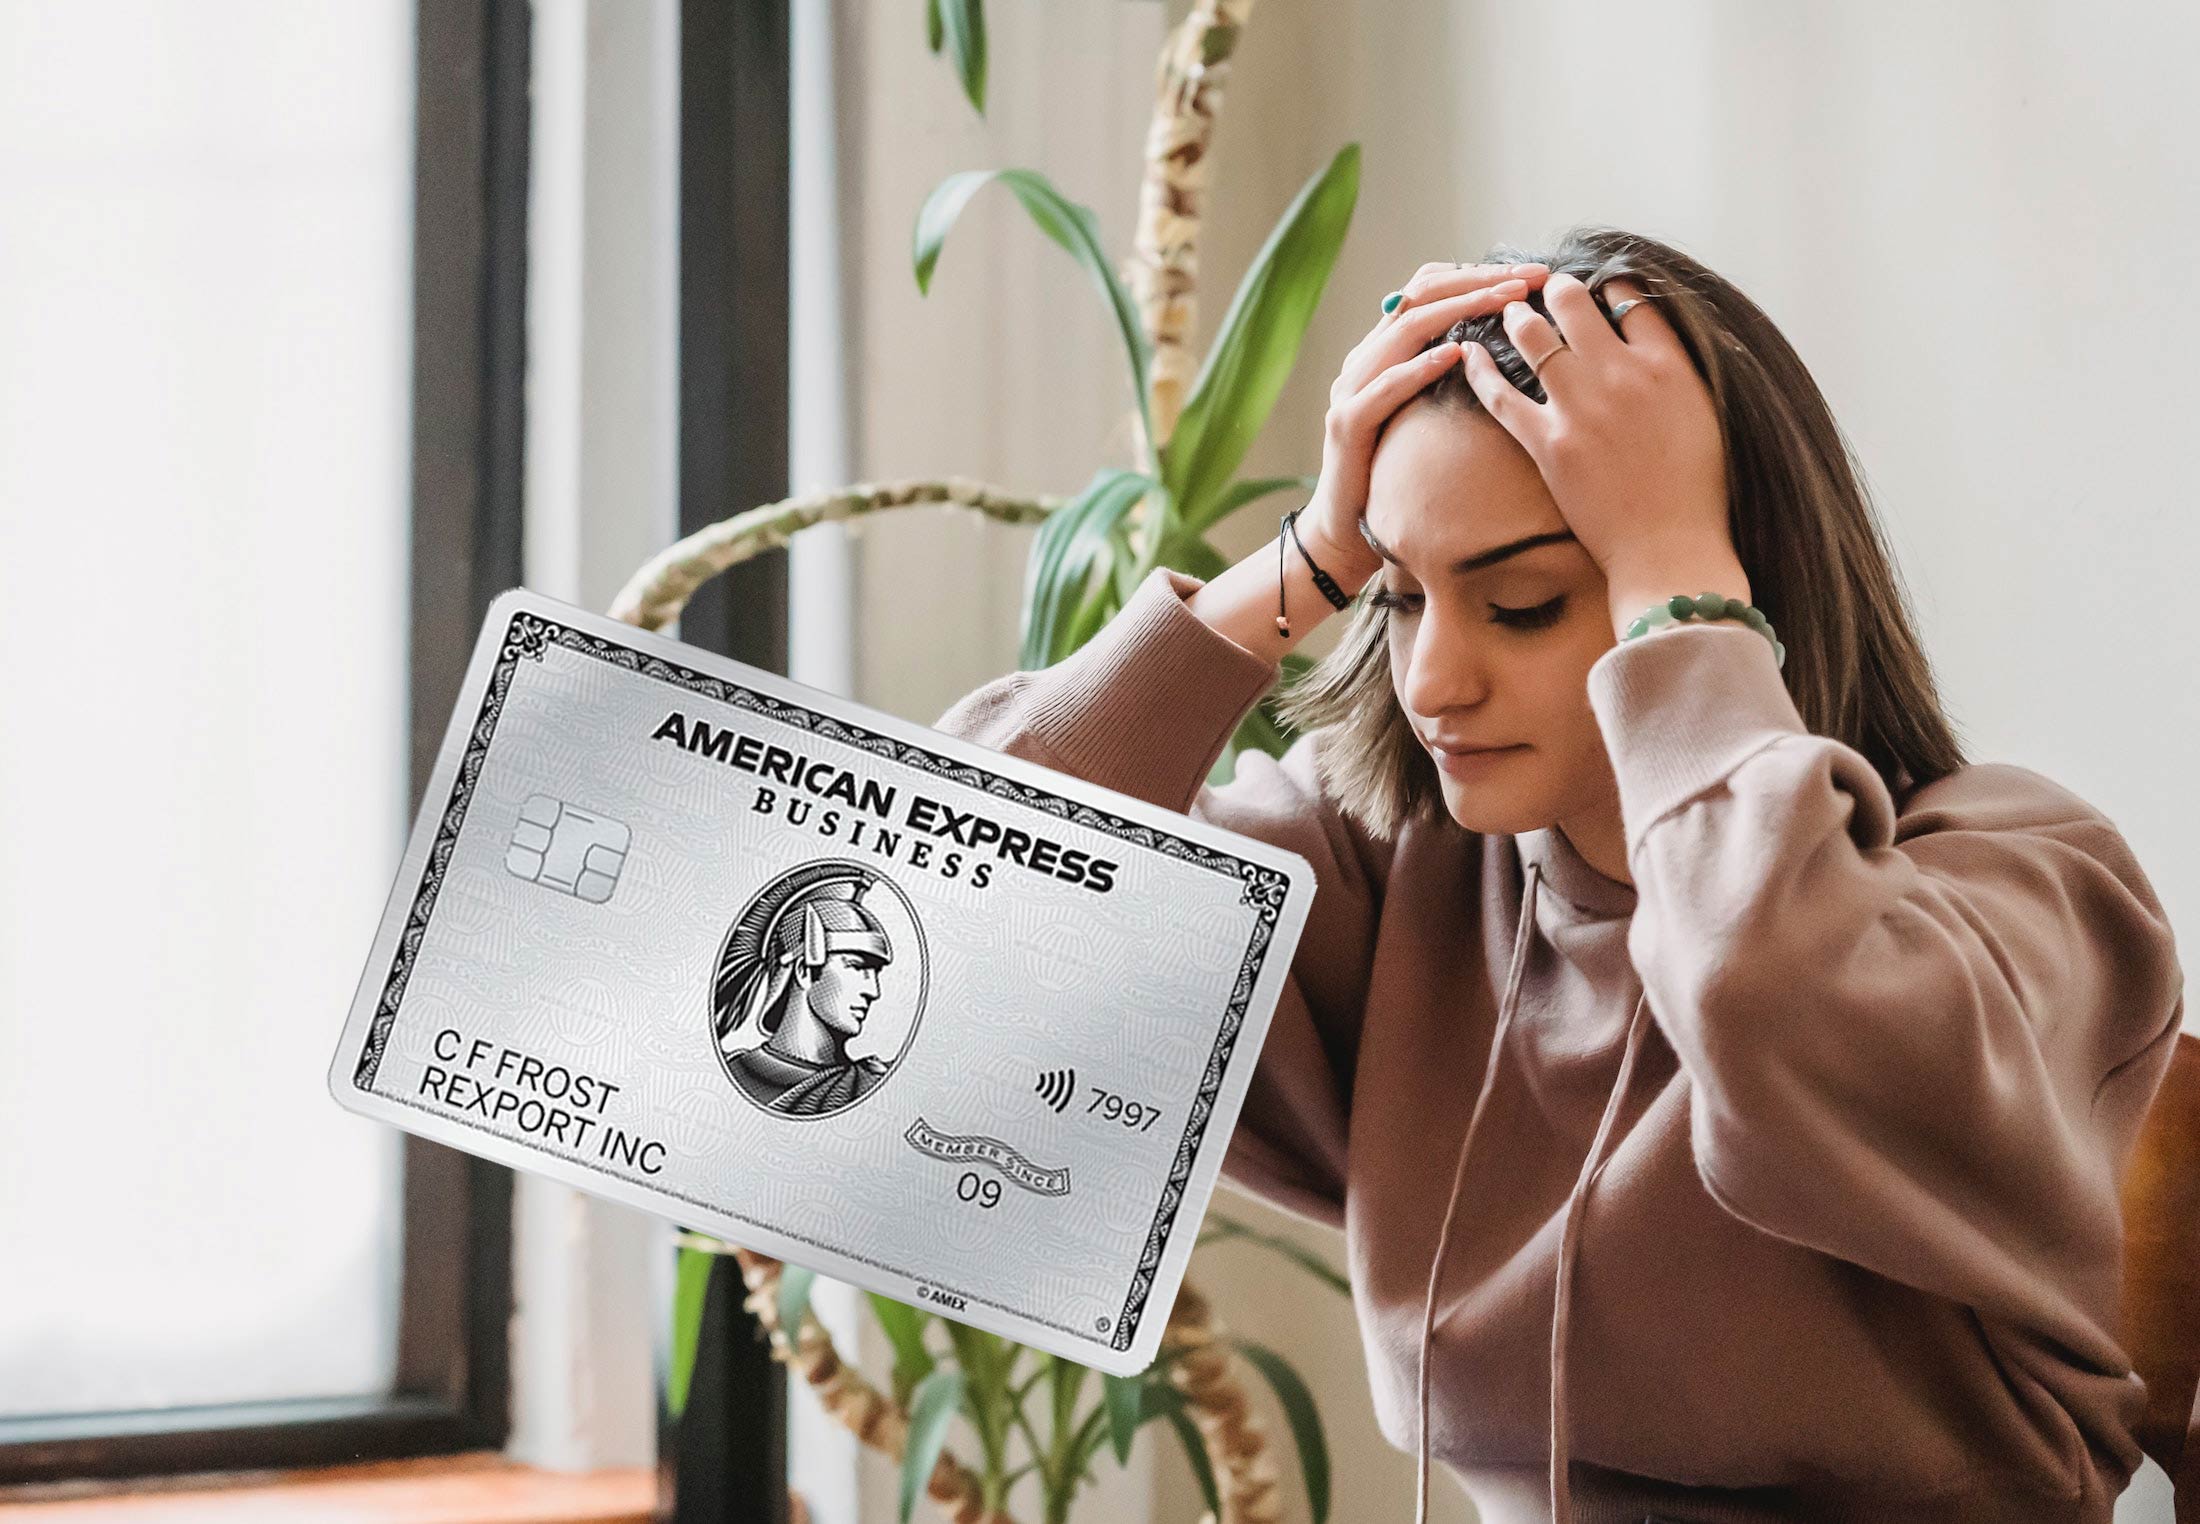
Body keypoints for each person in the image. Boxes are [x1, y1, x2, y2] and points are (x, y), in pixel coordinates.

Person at [931, 225, 2187, 1522]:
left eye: (1522, 602)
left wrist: (1677, 579)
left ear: (1713, 591)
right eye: (1403, 595)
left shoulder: (2027, 884)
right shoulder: (1399, 882)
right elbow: (950, 901)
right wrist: (1310, 556)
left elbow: (1762, 1000)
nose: (1431, 683)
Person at [715, 865, 896, 1116]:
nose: (873, 991)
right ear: (804, 971)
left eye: (876, 973)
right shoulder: (726, 1072)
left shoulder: (870, 1086)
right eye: (856, 967)